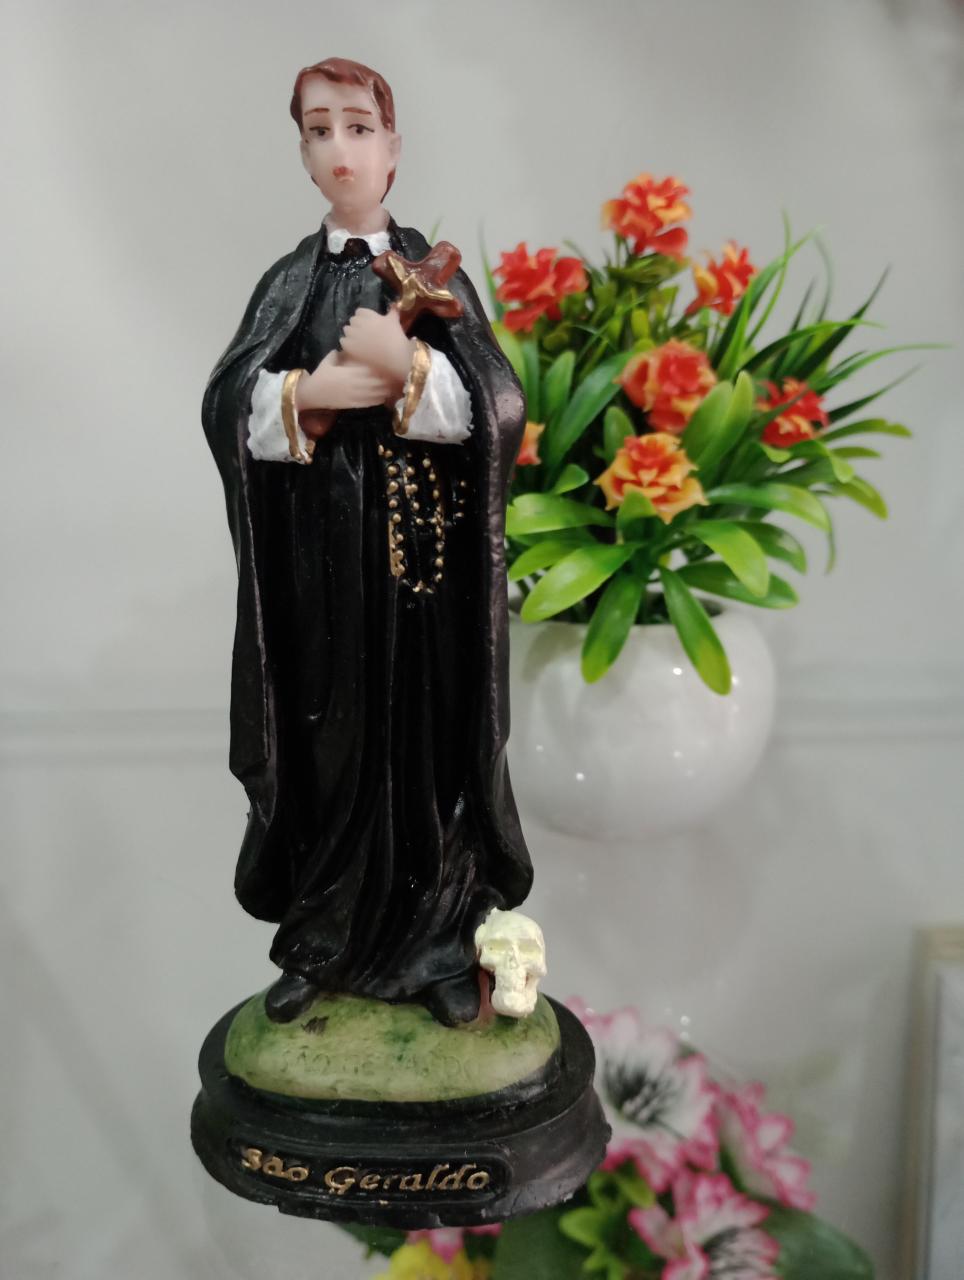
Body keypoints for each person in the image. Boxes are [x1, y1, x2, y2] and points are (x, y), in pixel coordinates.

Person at [201, 57, 533, 1027]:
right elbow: (227, 402)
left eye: (357, 126)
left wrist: (410, 369)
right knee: (327, 745)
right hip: (321, 574)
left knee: (424, 749)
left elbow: (497, 408)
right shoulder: (289, 284)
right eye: (319, 130)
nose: (340, 148)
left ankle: (438, 942)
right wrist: (307, 395)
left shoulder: (431, 276)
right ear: (303, 153)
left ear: (393, 147)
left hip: (425, 574)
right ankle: (323, 938)